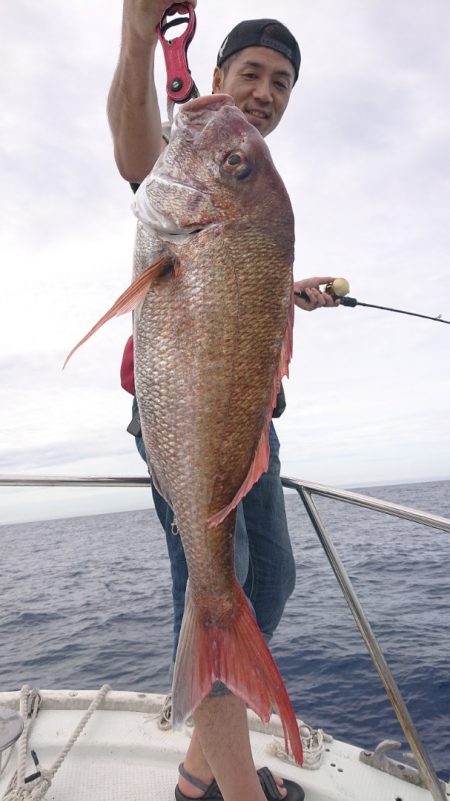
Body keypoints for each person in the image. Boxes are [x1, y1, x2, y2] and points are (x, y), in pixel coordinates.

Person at [108, 4, 339, 799]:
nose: (266, 92)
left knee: (271, 578)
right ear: (215, 76)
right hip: (184, 424)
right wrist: (137, 37)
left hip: (247, 429)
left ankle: (199, 765)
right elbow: (135, 150)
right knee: (212, 585)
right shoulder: (186, 161)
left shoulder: (239, 185)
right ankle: (229, 792)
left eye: (282, 82)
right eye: (252, 73)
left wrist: (288, 291)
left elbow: (229, 280)